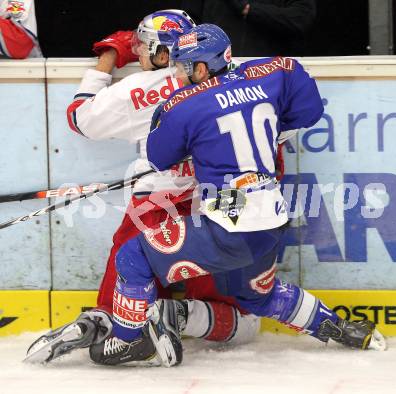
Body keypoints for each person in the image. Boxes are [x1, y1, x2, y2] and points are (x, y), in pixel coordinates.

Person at [110, 24, 387, 363]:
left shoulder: (182, 104)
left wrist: (198, 138)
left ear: (201, 68)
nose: (178, 76)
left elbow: (158, 158)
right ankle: (342, 328)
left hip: (229, 225)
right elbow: (309, 109)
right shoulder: (273, 73)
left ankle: (127, 342)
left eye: (182, 67)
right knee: (256, 296)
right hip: (269, 220)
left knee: (131, 256)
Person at [25, 10, 261, 367]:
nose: (137, 54)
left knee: (129, 272)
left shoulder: (142, 88)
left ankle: (107, 319)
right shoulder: (237, 84)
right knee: (242, 319)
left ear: (163, 53)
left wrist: (109, 55)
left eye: (142, 47)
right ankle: (177, 315)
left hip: (154, 205)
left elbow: (80, 117)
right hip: (219, 208)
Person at [182, 0, 316, 56]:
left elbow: (301, 19)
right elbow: (188, 21)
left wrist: (250, 9)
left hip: (269, 75)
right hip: (215, 75)